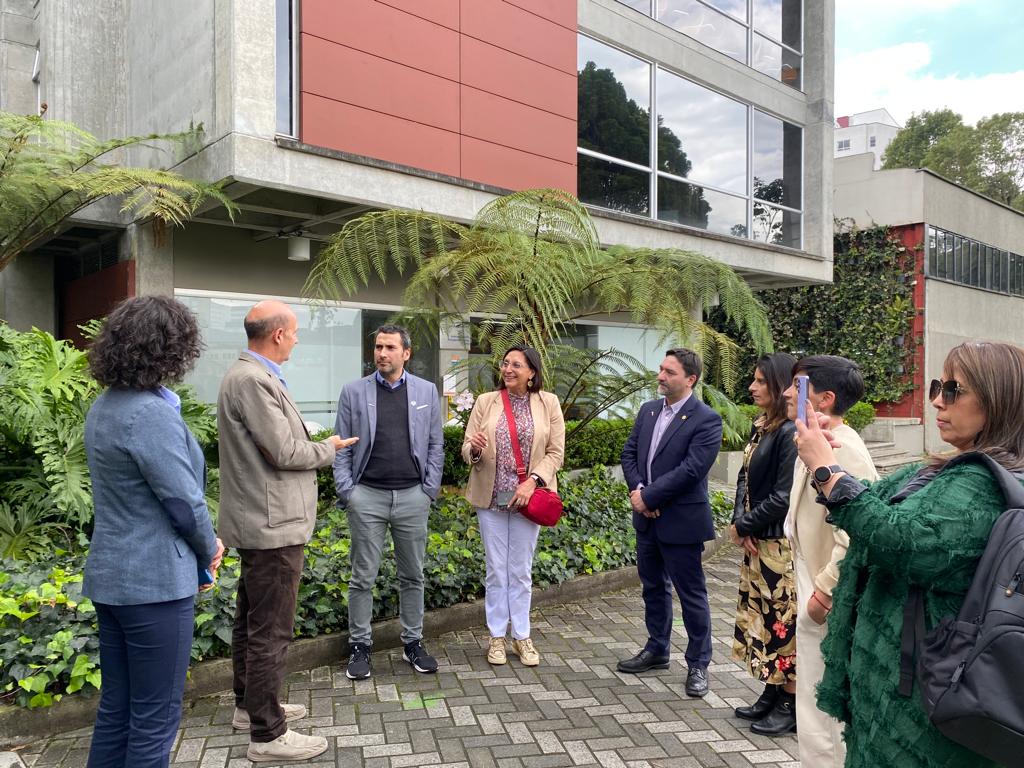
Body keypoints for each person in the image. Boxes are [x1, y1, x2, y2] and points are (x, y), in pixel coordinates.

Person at [796, 341, 1024, 768]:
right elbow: (873, 500)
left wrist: (827, 471)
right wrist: (828, 460)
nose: (937, 399)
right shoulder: (947, 467)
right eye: (939, 385)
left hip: (917, 702)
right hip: (902, 684)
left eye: (954, 390)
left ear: (996, 401)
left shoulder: (984, 483)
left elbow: (903, 543)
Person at [82, 296, 224, 768]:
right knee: (154, 719)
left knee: (117, 711)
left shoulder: (106, 406)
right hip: (154, 585)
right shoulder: (150, 413)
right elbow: (184, 505)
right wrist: (210, 550)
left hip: (113, 578)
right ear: (170, 348)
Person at [218, 300, 356, 764]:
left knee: (252, 621)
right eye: (294, 332)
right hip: (272, 525)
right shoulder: (253, 380)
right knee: (270, 629)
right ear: (277, 334)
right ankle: (268, 733)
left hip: (263, 520)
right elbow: (285, 451)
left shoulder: (249, 376)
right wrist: (328, 448)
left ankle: (251, 705)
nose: (297, 339)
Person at [333, 324, 444, 680]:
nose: (382, 353)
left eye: (390, 347)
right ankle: (360, 647)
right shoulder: (353, 392)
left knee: (413, 575)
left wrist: (429, 489)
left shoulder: (426, 390)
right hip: (367, 496)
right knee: (362, 577)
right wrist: (348, 491)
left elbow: (435, 445)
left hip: (413, 496)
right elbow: (341, 446)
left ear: (405, 353)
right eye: (378, 347)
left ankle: (413, 642)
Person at [783, 356, 877, 767]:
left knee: (824, 703)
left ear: (824, 398)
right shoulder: (815, 441)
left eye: (797, 385)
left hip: (826, 596)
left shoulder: (846, 449)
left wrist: (823, 592)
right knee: (811, 696)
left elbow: (858, 529)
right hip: (809, 580)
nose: (787, 392)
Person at [618, 348, 723, 697]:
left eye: (670, 372)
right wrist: (638, 491)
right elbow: (629, 453)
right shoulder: (649, 410)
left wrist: (649, 498)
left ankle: (698, 664)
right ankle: (657, 649)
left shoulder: (706, 419)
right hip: (646, 520)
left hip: (680, 520)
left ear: (690, 379)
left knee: (691, 594)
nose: (661, 376)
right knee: (652, 588)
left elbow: (693, 469)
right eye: (661, 369)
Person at [461, 345, 565, 666]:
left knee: (520, 570)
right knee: (496, 570)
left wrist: (532, 481)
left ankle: (521, 635)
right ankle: (496, 637)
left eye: (516, 365)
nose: (508, 369)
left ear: (531, 372)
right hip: (491, 499)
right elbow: (467, 448)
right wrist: (474, 449)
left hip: (526, 499)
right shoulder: (485, 402)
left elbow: (555, 453)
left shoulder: (548, 403)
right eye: (505, 364)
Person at [728, 353, 799, 736]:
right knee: (765, 622)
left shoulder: (789, 431)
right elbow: (744, 478)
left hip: (778, 545)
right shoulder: (763, 426)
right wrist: (741, 521)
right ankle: (772, 690)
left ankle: (790, 701)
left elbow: (784, 495)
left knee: (784, 624)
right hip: (758, 539)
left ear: (779, 384)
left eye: (760, 381)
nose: (752, 387)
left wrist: (745, 524)